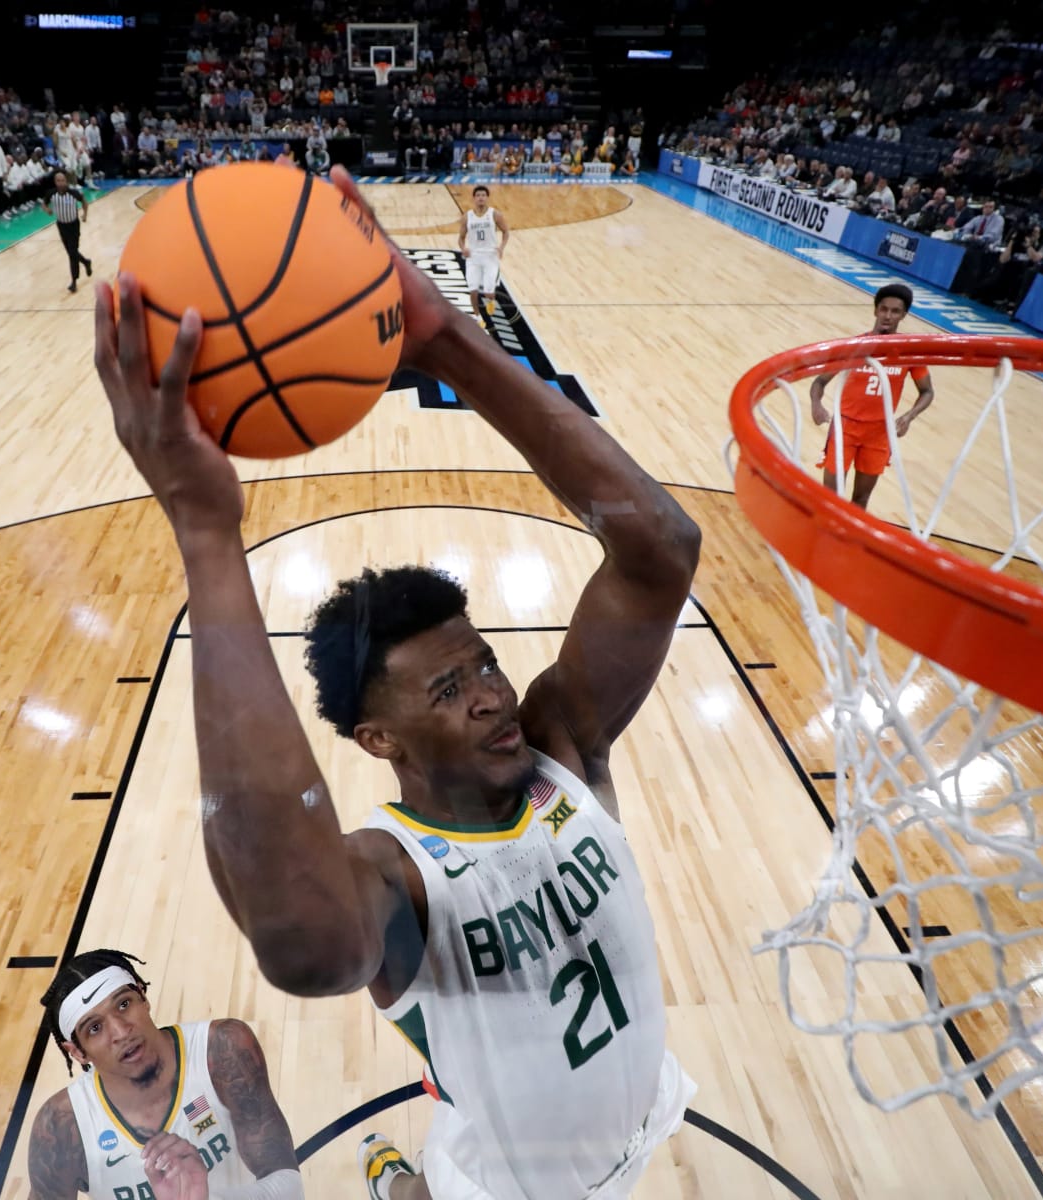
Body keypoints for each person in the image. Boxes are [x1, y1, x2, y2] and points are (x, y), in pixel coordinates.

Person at [93, 165, 702, 1200]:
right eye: (447, 690)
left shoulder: (562, 751)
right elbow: (302, 947)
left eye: (486, 665)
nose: (493, 695)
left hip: (645, 1125)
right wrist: (206, 533)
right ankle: (396, 1181)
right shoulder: (395, 875)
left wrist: (444, 339)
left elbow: (661, 551)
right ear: (378, 740)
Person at [27, 948, 304, 1200]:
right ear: (77, 1052)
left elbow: (289, 1184)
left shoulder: (221, 1050)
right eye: (95, 1028)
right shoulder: (62, 1126)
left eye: (123, 1004)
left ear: (142, 995)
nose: (121, 1032)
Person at [809, 283, 937, 510]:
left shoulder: (909, 351)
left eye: (895, 311)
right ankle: (824, 531)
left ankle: (848, 533)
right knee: (831, 495)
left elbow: (927, 391)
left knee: (861, 499)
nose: (888, 316)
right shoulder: (855, 346)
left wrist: (909, 416)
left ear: (904, 315)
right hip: (845, 427)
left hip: (879, 432)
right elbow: (819, 381)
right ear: (875, 310)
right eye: (884, 309)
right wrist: (816, 404)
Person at [458, 184, 509, 318]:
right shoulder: (467, 216)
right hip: (473, 256)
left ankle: (491, 301)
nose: (481, 198)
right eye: (478, 195)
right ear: (474, 198)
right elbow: (461, 238)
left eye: (483, 195)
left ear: (487, 198)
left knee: (488, 292)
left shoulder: (495, 214)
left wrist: (501, 247)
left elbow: (506, 232)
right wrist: (463, 249)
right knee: (473, 290)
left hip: (490, 255)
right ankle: (478, 317)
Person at [43, 171, 93, 293]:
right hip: (61, 226)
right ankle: (86, 262)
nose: (61, 183)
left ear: (66, 181)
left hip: (73, 226)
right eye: (58, 181)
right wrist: (47, 210)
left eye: (63, 180)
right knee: (71, 252)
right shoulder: (51, 193)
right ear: (55, 182)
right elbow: (43, 204)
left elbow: (84, 202)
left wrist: (85, 214)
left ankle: (74, 281)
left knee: (72, 253)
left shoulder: (73, 193)